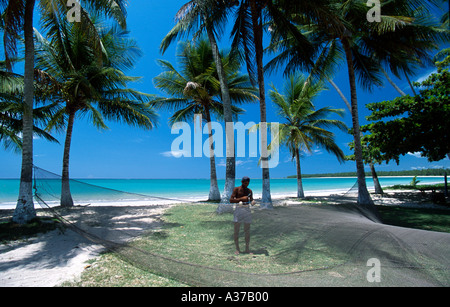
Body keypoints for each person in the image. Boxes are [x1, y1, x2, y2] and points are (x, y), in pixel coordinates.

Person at [230, 176, 256, 255]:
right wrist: (241, 199)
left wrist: (252, 202)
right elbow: (231, 200)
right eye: (245, 183)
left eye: (248, 183)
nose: (246, 185)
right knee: (236, 230)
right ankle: (237, 249)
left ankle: (247, 249)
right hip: (238, 211)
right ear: (241, 182)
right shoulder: (236, 189)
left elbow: (251, 200)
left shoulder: (249, 191)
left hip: (247, 211)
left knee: (247, 231)